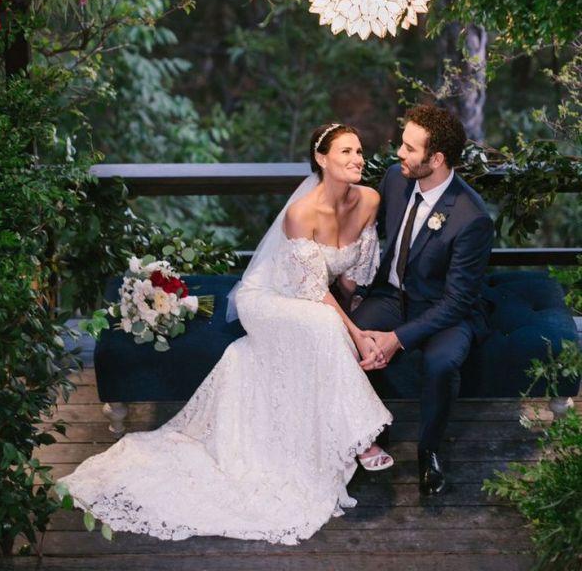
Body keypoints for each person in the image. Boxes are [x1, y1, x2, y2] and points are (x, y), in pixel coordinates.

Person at [60, 124, 393, 545]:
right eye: (345, 151)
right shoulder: (300, 213)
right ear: (321, 158)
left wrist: (361, 310)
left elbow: (349, 278)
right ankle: (362, 438)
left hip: (317, 301)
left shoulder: (370, 199)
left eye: (360, 151)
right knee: (328, 325)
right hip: (270, 299)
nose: (357, 159)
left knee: (328, 326)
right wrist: (359, 334)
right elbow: (313, 293)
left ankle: (354, 434)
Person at [351, 105, 494, 496]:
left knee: (441, 362)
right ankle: (364, 433)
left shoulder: (471, 218)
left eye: (410, 148)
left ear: (437, 159)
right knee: (346, 336)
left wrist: (396, 338)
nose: (399, 152)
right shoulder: (395, 181)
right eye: (403, 142)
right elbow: (371, 237)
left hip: (447, 310)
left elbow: (458, 300)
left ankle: (428, 449)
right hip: (393, 294)